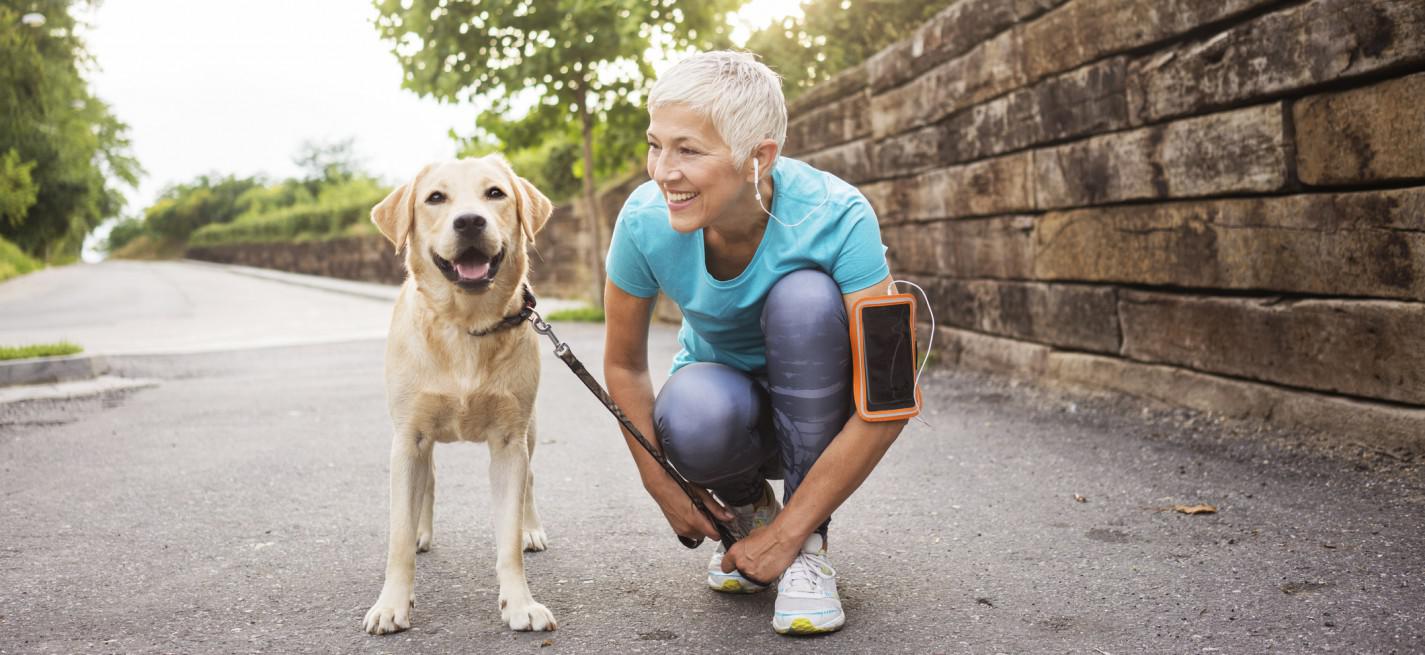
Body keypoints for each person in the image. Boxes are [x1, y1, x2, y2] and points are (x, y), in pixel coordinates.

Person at [602, 50, 909, 636]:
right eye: (655, 144)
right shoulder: (643, 221)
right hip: (728, 421)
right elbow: (622, 365)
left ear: (758, 157)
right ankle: (749, 512)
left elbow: (890, 395)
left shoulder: (839, 215)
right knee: (690, 408)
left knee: (805, 299)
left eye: (688, 150)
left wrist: (789, 537)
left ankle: (806, 545)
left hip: (828, 415)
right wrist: (662, 483)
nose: (662, 170)